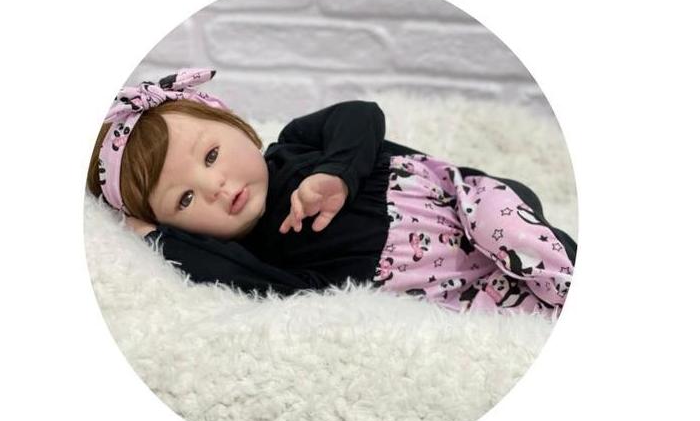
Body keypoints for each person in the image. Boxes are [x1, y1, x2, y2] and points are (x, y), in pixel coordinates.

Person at [87, 68, 577, 315]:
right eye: (185, 199)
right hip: (448, 288)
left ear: (235, 124)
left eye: (211, 155)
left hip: (464, 209)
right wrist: (155, 239)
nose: (214, 187)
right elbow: (245, 281)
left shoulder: (294, 145)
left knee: (520, 237)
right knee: (521, 316)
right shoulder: (253, 257)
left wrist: (338, 173)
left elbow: (361, 115)